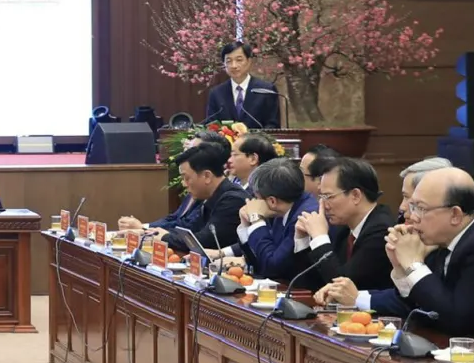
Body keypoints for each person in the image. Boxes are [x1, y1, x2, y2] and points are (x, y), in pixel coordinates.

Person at [315, 167, 474, 348]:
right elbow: (423, 305)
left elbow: (455, 318)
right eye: (412, 206)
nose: (412, 217)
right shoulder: (450, 235)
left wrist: (414, 264)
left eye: (420, 208)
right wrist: (400, 268)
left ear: (455, 214)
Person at [118, 141, 246, 253]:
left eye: (186, 178)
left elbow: (203, 241)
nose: (184, 184)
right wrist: (147, 232)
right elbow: (188, 230)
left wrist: (164, 237)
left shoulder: (232, 199)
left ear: (207, 176)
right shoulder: (208, 195)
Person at [303, 157, 400, 298]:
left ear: (355, 195)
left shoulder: (382, 231)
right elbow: (311, 282)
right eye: (321, 197)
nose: (323, 205)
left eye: (328, 196)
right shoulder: (345, 228)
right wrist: (303, 240)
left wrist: (319, 238)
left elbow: (342, 286)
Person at [222, 157, 323, 285]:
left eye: (257, 197)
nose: (254, 202)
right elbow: (259, 265)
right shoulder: (280, 210)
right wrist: (246, 225)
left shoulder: (303, 216)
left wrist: (256, 220)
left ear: (272, 201)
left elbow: (272, 268)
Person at [204, 41, 281, 128]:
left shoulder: (266, 90)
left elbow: (273, 125)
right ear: (224, 64)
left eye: (239, 60)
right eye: (228, 61)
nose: (234, 66)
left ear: (249, 61)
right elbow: (211, 125)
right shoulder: (216, 93)